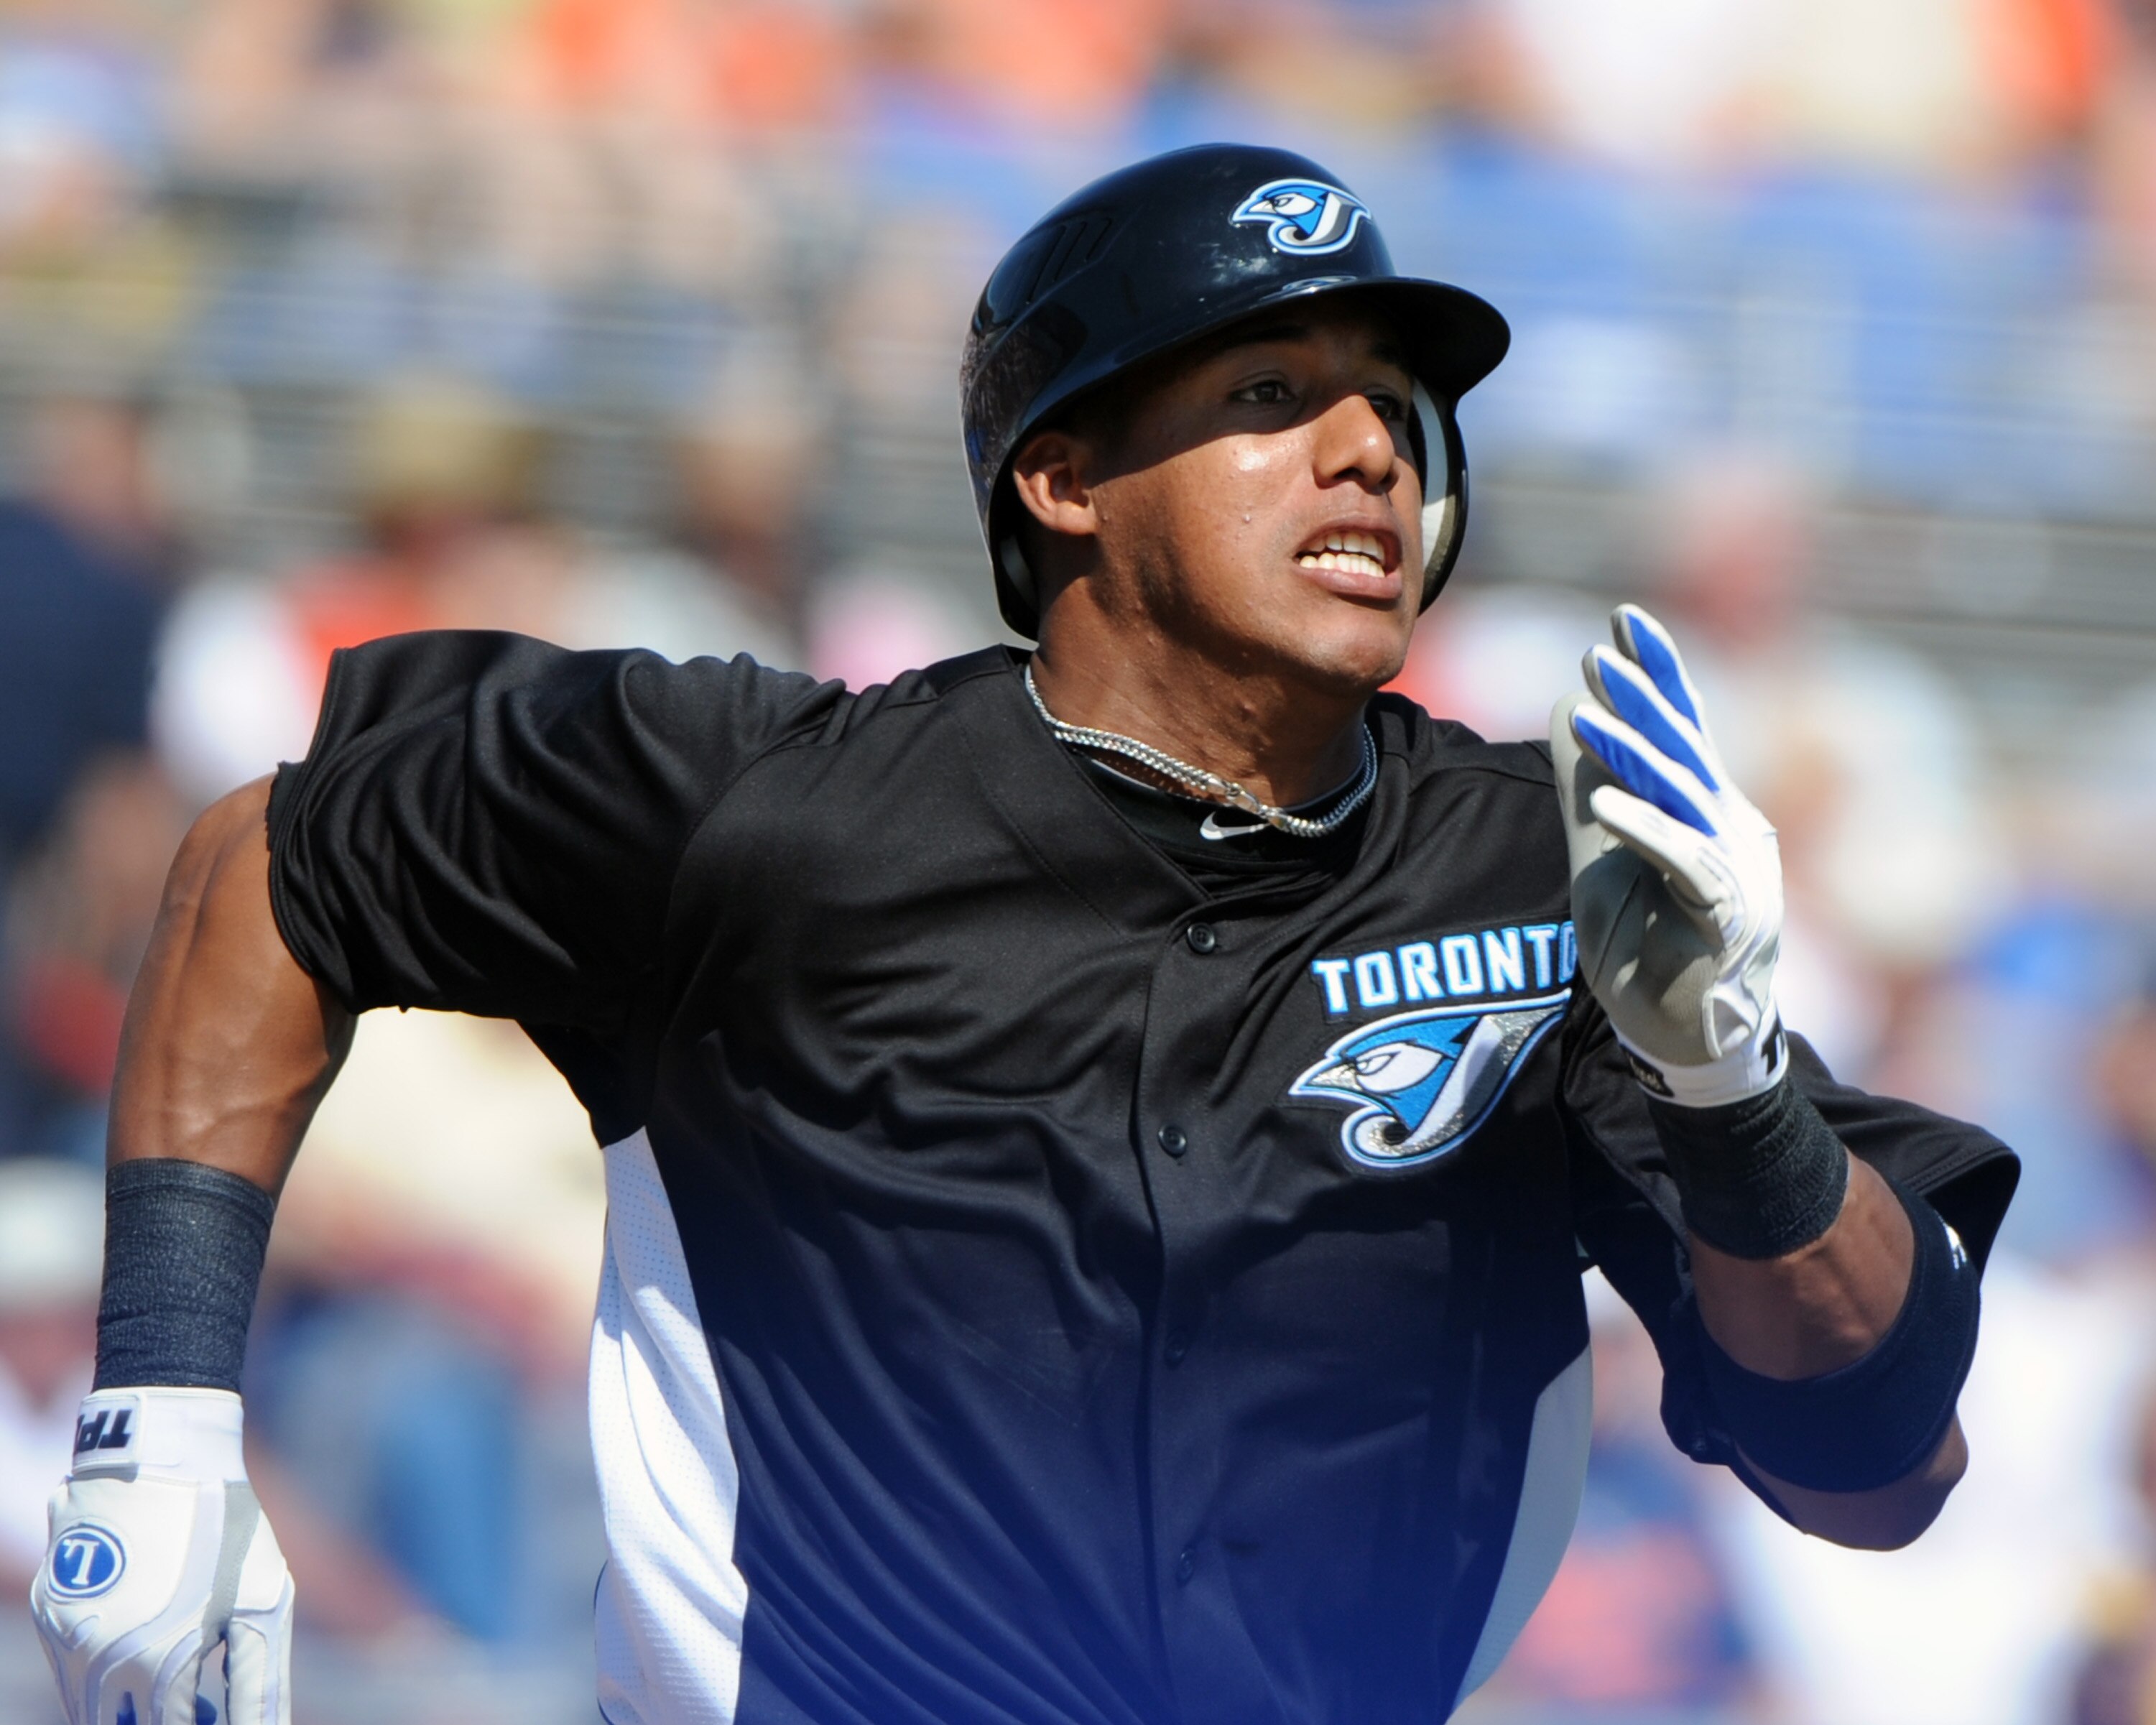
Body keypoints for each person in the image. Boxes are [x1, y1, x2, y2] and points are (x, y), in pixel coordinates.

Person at [32, 143, 2015, 1725]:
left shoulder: (1546, 871)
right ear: (1057, 475)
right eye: (1268, 395)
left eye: (1397, 409)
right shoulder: (766, 802)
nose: (1370, 453)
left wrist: (1728, 1081)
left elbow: (1874, 1468)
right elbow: (270, 864)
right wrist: (162, 1409)